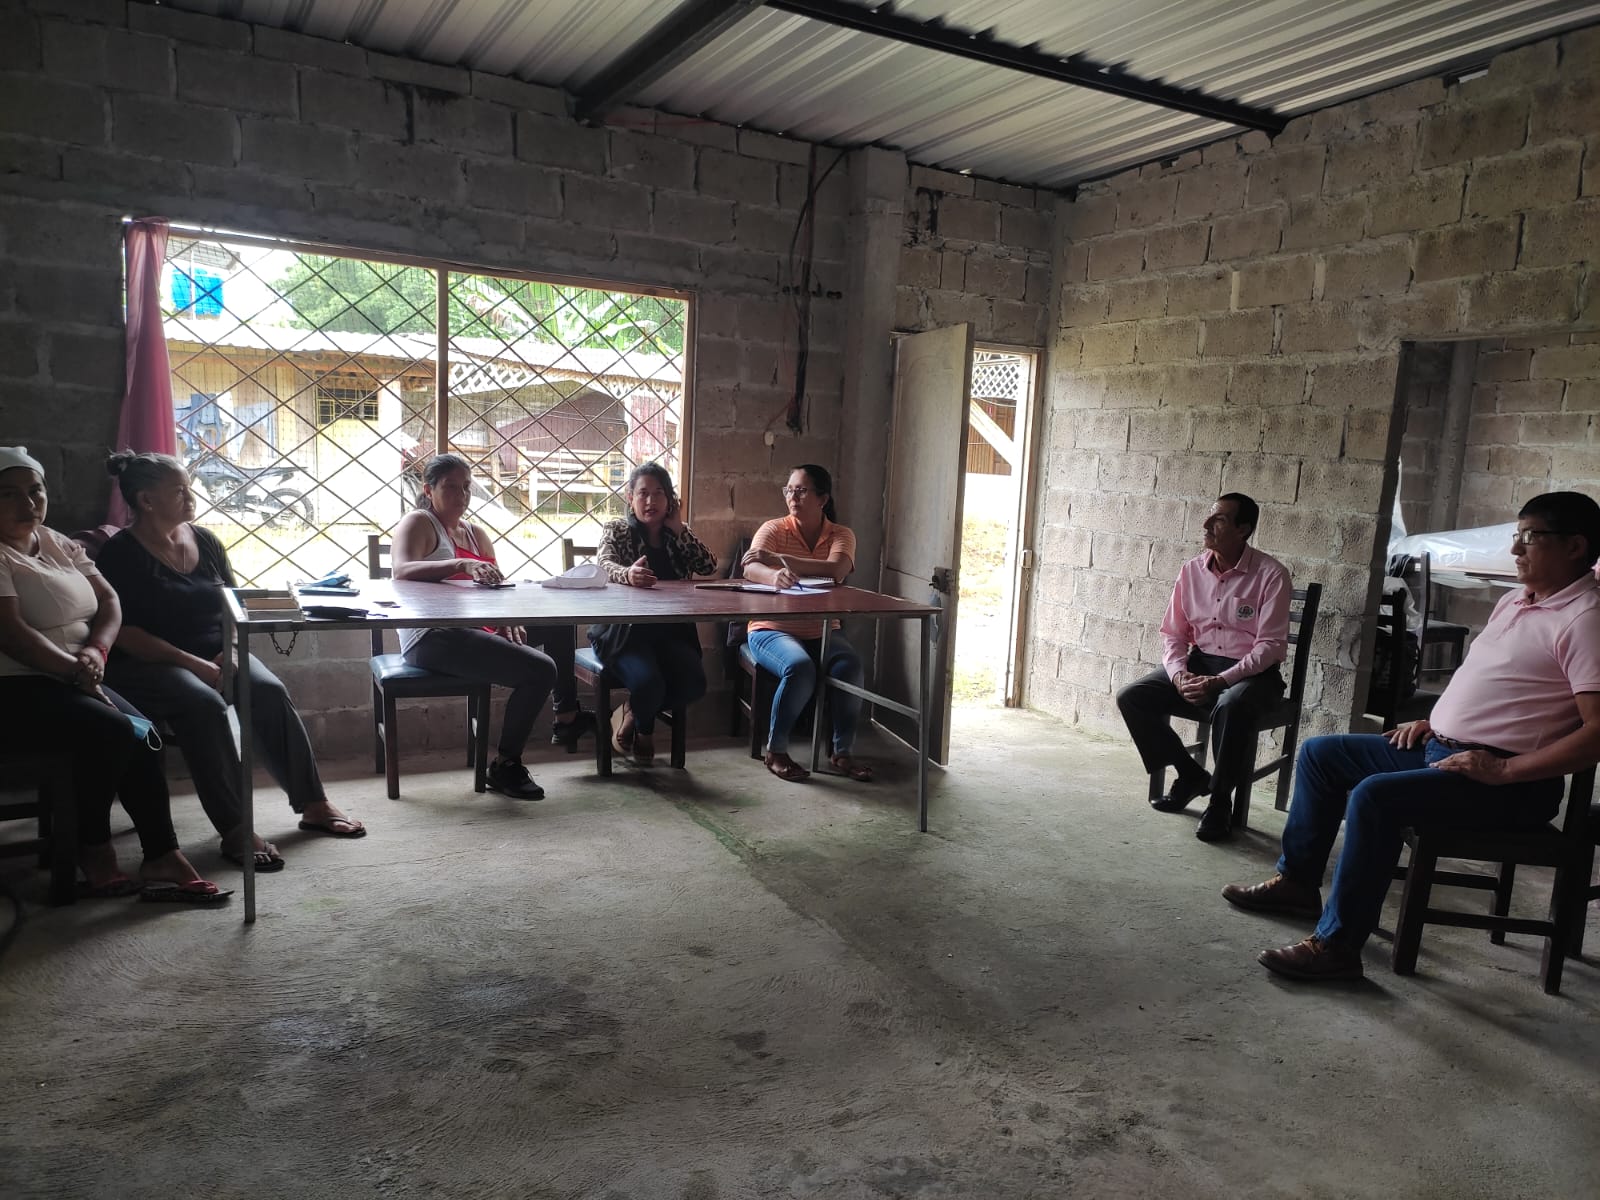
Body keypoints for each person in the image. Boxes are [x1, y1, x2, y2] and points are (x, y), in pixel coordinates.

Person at [1224, 492, 1600, 982]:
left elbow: (1596, 733)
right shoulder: (1515, 600)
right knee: (1321, 754)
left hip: (1508, 784)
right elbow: (1496, 683)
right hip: (1444, 751)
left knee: (1374, 797)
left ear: (1575, 546)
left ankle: (1337, 947)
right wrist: (1437, 722)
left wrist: (1505, 769)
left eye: (1530, 537)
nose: (1515, 549)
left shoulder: (1586, 620)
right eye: (1516, 535)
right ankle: (1297, 883)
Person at [97, 451, 364, 869]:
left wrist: (234, 650)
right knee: (203, 704)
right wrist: (194, 664)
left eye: (189, 487)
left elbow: (234, 606)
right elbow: (126, 632)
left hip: (218, 651)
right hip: (150, 662)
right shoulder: (120, 554)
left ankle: (313, 803)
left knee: (268, 691)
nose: (191, 497)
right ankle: (235, 827)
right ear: (146, 501)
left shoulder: (205, 540)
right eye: (179, 491)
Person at [0, 446, 228, 904]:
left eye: (35, 491)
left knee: (143, 732)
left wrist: (96, 651)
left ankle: (162, 854)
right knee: (114, 730)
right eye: (9, 494)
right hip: (21, 682)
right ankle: (93, 847)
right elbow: (14, 635)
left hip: (82, 671)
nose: (28, 504)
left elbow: (109, 602)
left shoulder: (57, 542)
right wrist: (75, 669)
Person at [392, 453, 593, 800]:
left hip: (475, 627)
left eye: (466, 487)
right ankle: (505, 765)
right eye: (450, 487)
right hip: (433, 636)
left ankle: (566, 718)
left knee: (560, 625)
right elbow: (401, 570)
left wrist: (507, 616)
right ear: (428, 490)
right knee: (541, 670)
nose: (461, 495)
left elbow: (497, 585)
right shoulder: (419, 522)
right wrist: (461, 564)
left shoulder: (476, 534)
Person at [1115, 493, 1291, 842]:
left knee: (1231, 705)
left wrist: (1220, 681)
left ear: (1243, 530)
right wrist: (1179, 674)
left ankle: (1220, 802)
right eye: (1209, 516)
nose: (1207, 525)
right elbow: (1173, 634)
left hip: (1253, 674)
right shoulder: (1191, 570)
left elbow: (1270, 646)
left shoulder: (1271, 575)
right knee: (1133, 697)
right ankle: (1191, 775)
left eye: (1220, 519)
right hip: (1200, 662)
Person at [740, 464, 871, 784]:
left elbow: (837, 569)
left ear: (822, 499)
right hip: (772, 629)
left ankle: (842, 752)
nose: (792, 497)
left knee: (850, 667)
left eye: (801, 491)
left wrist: (780, 560)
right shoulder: (773, 529)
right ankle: (776, 751)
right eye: (789, 490)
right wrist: (773, 575)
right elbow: (750, 567)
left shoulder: (842, 534)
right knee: (799, 668)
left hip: (823, 629)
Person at [591, 463, 718, 767]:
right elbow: (603, 564)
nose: (651, 502)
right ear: (630, 497)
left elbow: (708, 566)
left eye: (659, 494)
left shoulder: (677, 534)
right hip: (624, 633)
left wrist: (680, 529)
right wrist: (627, 574)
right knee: (650, 683)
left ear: (670, 499)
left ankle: (632, 712)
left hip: (670, 631)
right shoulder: (617, 530)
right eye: (643, 494)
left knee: (695, 684)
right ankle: (645, 731)